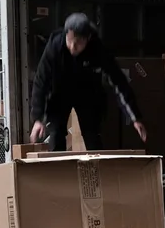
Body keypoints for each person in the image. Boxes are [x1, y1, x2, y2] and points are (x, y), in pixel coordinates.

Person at [28, 13, 146, 152]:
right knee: (56, 134)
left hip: (87, 94)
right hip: (59, 92)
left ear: (88, 39)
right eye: (70, 41)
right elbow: (41, 83)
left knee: (92, 134)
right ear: (65, 34)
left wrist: (135, 117)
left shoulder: (97, 50)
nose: (72, 47)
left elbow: (119, 82)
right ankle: (58, 171)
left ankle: (96, 171)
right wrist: (37, 118)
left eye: (78, 43)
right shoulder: (55, 47)